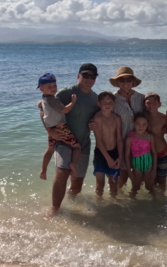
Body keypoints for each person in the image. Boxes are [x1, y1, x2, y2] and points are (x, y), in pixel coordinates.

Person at [45, 63, 99, 214]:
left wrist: (94, 124)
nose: (89, 79)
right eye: (85, 76)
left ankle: (72, 209)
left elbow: (98, 117)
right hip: (63, 141)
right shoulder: (65, 93)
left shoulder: (95, 98)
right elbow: (44, 110)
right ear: (78, 76)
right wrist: (50, 131)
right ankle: (54, 210)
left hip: (83, 144)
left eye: (92, 76)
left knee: (77, 184)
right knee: (62, 173)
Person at [37, 73, 80, 180]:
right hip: (62, 129)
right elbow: (65, 110)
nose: (53, 88)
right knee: (77, 147)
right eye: (49, 86)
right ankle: (73, 164)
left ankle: (43, 170)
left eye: (54, 86)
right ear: (41, 89)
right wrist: (73, 102)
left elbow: (41, 106)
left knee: (50, 149)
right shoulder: (51, 99)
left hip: (52, 129)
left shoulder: (44, 98)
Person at [109, 65, 145, 188]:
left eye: (128, 80)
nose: (125, 83)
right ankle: (119, 204)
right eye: (122, 80)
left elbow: (149, 118)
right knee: (122, 176)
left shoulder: (141, 98)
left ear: (133, 82)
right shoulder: (112, 99)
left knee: (140, 177)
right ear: (118, 82)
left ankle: (137, 205)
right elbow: (104, 117)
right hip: (121, 143)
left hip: (141, 143)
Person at [91, 92, 123, 197]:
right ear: (99, 104)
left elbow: (119, 139)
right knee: (100, 184)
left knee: (113, 183)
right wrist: (108, 158)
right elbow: (99, 141)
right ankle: (99, 204)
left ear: (114, 104)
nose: (107, 104)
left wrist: (120, 156)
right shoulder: (97, 119)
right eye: (104, 102)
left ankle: (113, 206)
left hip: (114, 153)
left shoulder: (117, 118)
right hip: (101, 154)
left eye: (110, 102)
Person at [125, 111, 160, 197]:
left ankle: (156, 206)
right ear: (134, 123)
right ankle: (133, 206)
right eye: (138, 124)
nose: (141, 126)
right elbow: (127, 155)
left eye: (144, 124)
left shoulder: (150, 137)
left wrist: (154, 169)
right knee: (135, 188)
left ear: (147, 124)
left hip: (149, 164)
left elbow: (154, 153)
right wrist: (129, 172)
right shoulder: (130, 138)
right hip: (136, 165)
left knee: (150, 187)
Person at [143, 92, 167, 191]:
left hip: (161, 152)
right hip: (146, 154)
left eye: (154, 103)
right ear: (144, 104)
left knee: (162, 180)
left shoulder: (164, 118)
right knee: (149, 181)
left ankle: (162, 203)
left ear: (159, 104)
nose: (151, 105)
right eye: (148, 103)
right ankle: (151, 203)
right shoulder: (142, 118)